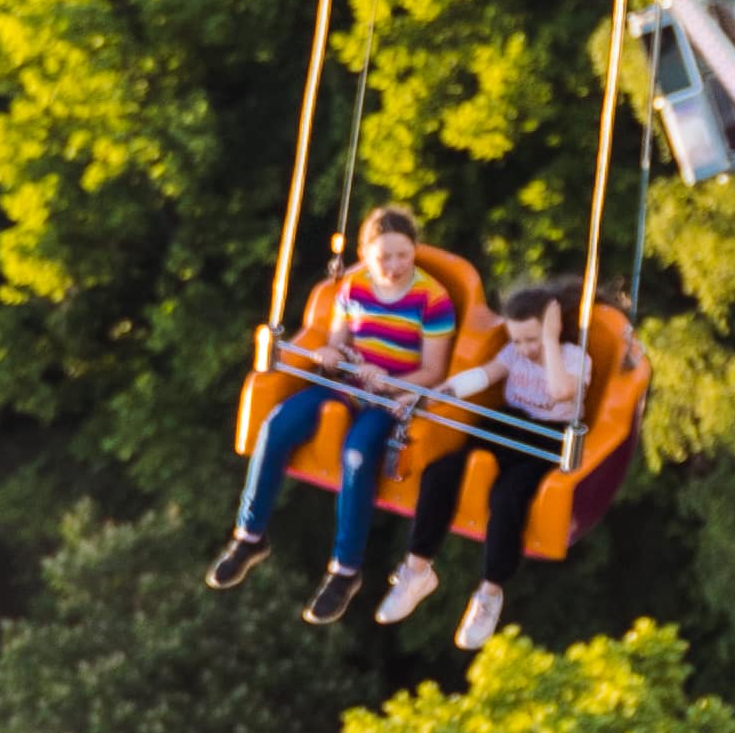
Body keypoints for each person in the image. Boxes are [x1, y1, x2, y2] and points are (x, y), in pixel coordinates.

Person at [207, 205, 464, 622]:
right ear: (366, 255)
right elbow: (337, 342)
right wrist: (328, 353)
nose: (395, 267)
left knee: (359, 453)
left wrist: (390, 381)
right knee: (276, 427)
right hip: (346, 385)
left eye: (403, 255)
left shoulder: (432, 299)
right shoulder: (353, 287)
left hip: (391, 395)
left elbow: (434, 370)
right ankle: (249, 534)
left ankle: (345, 570)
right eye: (385, 258)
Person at [408, 281, 599, 651]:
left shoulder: (574, 358)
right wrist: (439, 394)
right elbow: (484, 375)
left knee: (508, 498)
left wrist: (549, 342)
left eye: (532, 340)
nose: (525, 350)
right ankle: (417, 566)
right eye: (520, 341)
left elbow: (562, 392)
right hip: (509, 422)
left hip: (547, 436)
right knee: (442, 471)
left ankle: (489, 593)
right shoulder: (513, 353)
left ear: (550, 329)